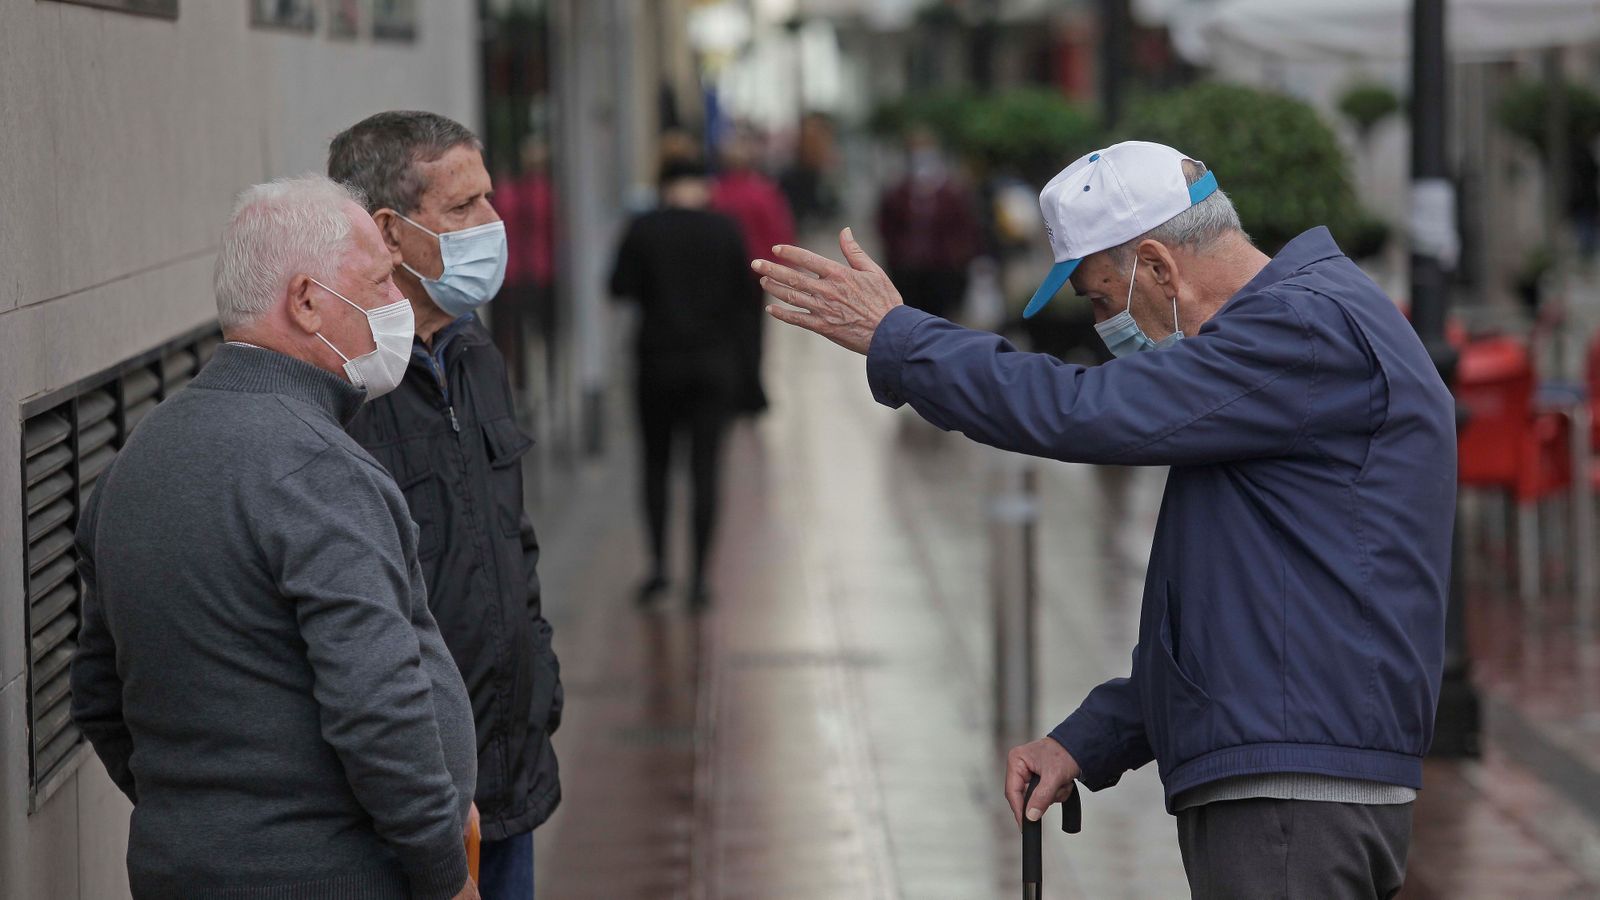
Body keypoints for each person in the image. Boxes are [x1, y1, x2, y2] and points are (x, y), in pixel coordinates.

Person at [755, 141, 1455, 899]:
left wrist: (899, 338)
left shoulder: (1298, 331)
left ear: (1157, 266)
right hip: (1293, 772)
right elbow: (1245, 615)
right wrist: (1089, 741)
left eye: (1099, 300)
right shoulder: (1293, 339)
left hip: (1291, 791)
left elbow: (1082, 410)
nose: (1101, 328)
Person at [71, 175, 480, 900]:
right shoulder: (319, 471)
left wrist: (207, 827)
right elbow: (379, 707)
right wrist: (445, 873)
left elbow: (100, 694)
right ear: (306, 301)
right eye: (381, 283)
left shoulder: (135, 461)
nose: (398, 304)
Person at [328, 110, 562, 900]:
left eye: (488, 197)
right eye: (464, 207)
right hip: (409, 810)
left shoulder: (475, 351)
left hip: (510, 777)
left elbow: (512, 540)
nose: (494, 221)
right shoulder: (345, 386)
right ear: (390, 234)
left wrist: (540, 685)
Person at [611, 158, 756, 607]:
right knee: (705, 469)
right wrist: (751, 375)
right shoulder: (726, 230)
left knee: (655, 466)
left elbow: (618, 287)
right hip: (714, 366)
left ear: (664, 186)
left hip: (657, 364)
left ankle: (659, 570)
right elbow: (748, 302)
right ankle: (699, 580)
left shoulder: (644, 228)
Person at [713, 130, 797, 416]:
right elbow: (779, 231)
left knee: (725, 332)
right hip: (753, 274)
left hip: (722, 277)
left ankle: (730, 389)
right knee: (752, 333)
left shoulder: (716, 193)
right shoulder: (763, 192)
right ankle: (750, 391)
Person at [873, 127, 982, 322]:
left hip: (943, 270)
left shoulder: (952, 191)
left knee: (940, 320)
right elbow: (886, 227)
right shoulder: (897, 191)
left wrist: (959, 256)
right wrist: (897, 254)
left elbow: (966, 227)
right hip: (907, 270)